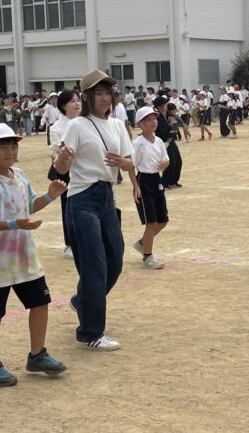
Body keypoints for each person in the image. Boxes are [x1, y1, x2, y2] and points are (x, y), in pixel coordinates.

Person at [0, 124, 67, 386]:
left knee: (40, 303)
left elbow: (29, 205)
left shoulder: (20, 175)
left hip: (24, 257)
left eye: (13, 145)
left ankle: (37, 354)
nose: (10, 151)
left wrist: (50, 195)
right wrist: (14, 224)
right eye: (3, 146)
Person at [54, 70, 134, 351]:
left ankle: (82, 301)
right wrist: (63, 159)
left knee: (116, 261)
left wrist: (122, 163)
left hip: (106, 196)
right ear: (86, 97)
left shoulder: (116, 125)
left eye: (107, 93)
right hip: (82, 198)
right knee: (94, 266)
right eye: (98, 93)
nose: (104, 98)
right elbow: (61, 168)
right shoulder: (77, 126)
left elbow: (128, 162)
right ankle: (91, 332)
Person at [129, 106, 168, 270]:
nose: (153, 122)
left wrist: (166, 163)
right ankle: (147, 257)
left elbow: (165, 159)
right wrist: (136, 187)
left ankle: (143, 243)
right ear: (140, 124)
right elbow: (131, 166)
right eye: (148, 119)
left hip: (156, 181)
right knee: (151, 223)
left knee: (163, 221)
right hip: (143, 180)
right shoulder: (138, 143)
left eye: (154, 118)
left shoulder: (158, 141)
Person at [50, 90, 81, 260]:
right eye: (72, 101)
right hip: (66, 170)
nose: (77, 104)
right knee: (68, 207)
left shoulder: (85, 122)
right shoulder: (57, 128)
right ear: (63, 106)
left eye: (78, 100)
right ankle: (69, 244)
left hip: (84, 169)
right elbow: (54, 151)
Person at [155, 98, 183, 188]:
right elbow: (164, 132)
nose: (167, 106)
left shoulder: (167, 115)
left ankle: (173, 181)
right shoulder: (158, 118)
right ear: (160, 107)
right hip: (165, 143)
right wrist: (171, 126)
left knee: (178, 161)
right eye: (165, 105)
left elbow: (174, 128)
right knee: (170, 162)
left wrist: (172, 126)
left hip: (171, 141)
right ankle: (165, 182)